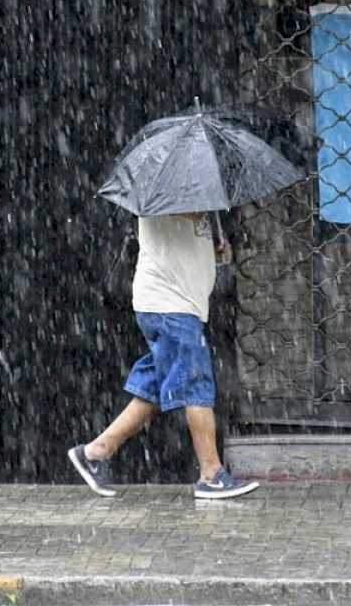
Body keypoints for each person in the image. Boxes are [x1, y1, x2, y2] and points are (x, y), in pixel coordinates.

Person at [68, 212, 259, 500]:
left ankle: (96, 452)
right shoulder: (169, 192)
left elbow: (185, 242)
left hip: (180, 304)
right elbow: (187, 215)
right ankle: (211, 474)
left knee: (155, 386)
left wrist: (214, 252)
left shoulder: (192, 192)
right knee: (196, 382)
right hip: (169, 304)